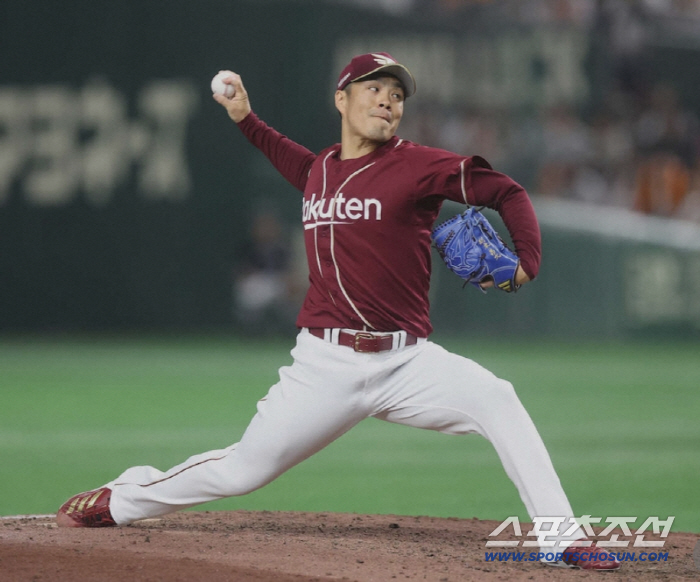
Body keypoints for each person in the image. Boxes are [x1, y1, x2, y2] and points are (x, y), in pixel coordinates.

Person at [56, 52, 619, 571]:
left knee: (497, 398)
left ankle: (559, 535)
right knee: (244, 469)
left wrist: (527, 262)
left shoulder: (419, 166)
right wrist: (245, 117)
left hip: (407, 362)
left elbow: (509, 192)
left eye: (397, 96)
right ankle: (123, 498)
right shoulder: (319, 171)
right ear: (341, 99)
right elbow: (284, 152)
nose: (388, 102)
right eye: (374, 89)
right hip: (325, 366)